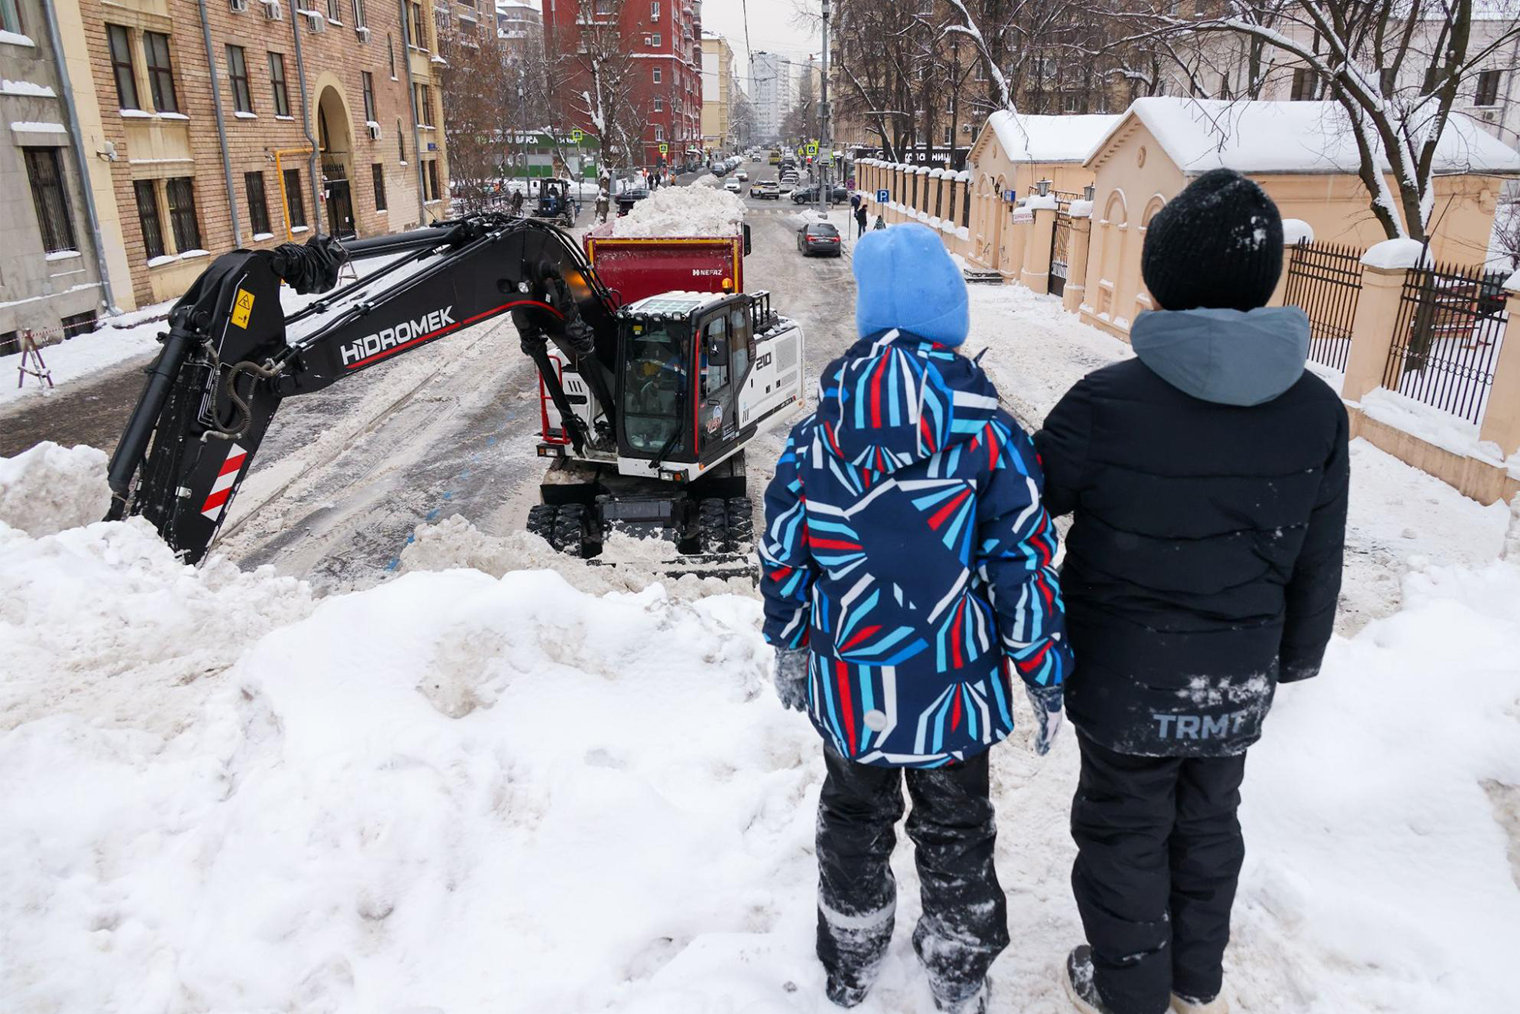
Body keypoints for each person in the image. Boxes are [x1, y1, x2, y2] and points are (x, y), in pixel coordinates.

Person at [1034, 170, 1349, 1014]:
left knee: (1123, 829)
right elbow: (1321, 551)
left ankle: (1129, 988)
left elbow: (1024, 503)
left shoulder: (1104, 403)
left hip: (1122, 674)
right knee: (1210, 821)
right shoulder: (1319, 410)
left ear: (1161, 275)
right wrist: (1298, 658)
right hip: (1236, 674)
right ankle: (1192, 980)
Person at [760, 222, 1073, 1014]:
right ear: (950, 315)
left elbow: (782, 549)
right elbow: (1023, 563)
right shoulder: (993, 438)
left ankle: (853, 956)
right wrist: (1043, 669)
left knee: (854, 820)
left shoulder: (814, 437)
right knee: (957, 831)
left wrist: (792, 641)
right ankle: (959, 973)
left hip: (854, 685)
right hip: (953, 695)